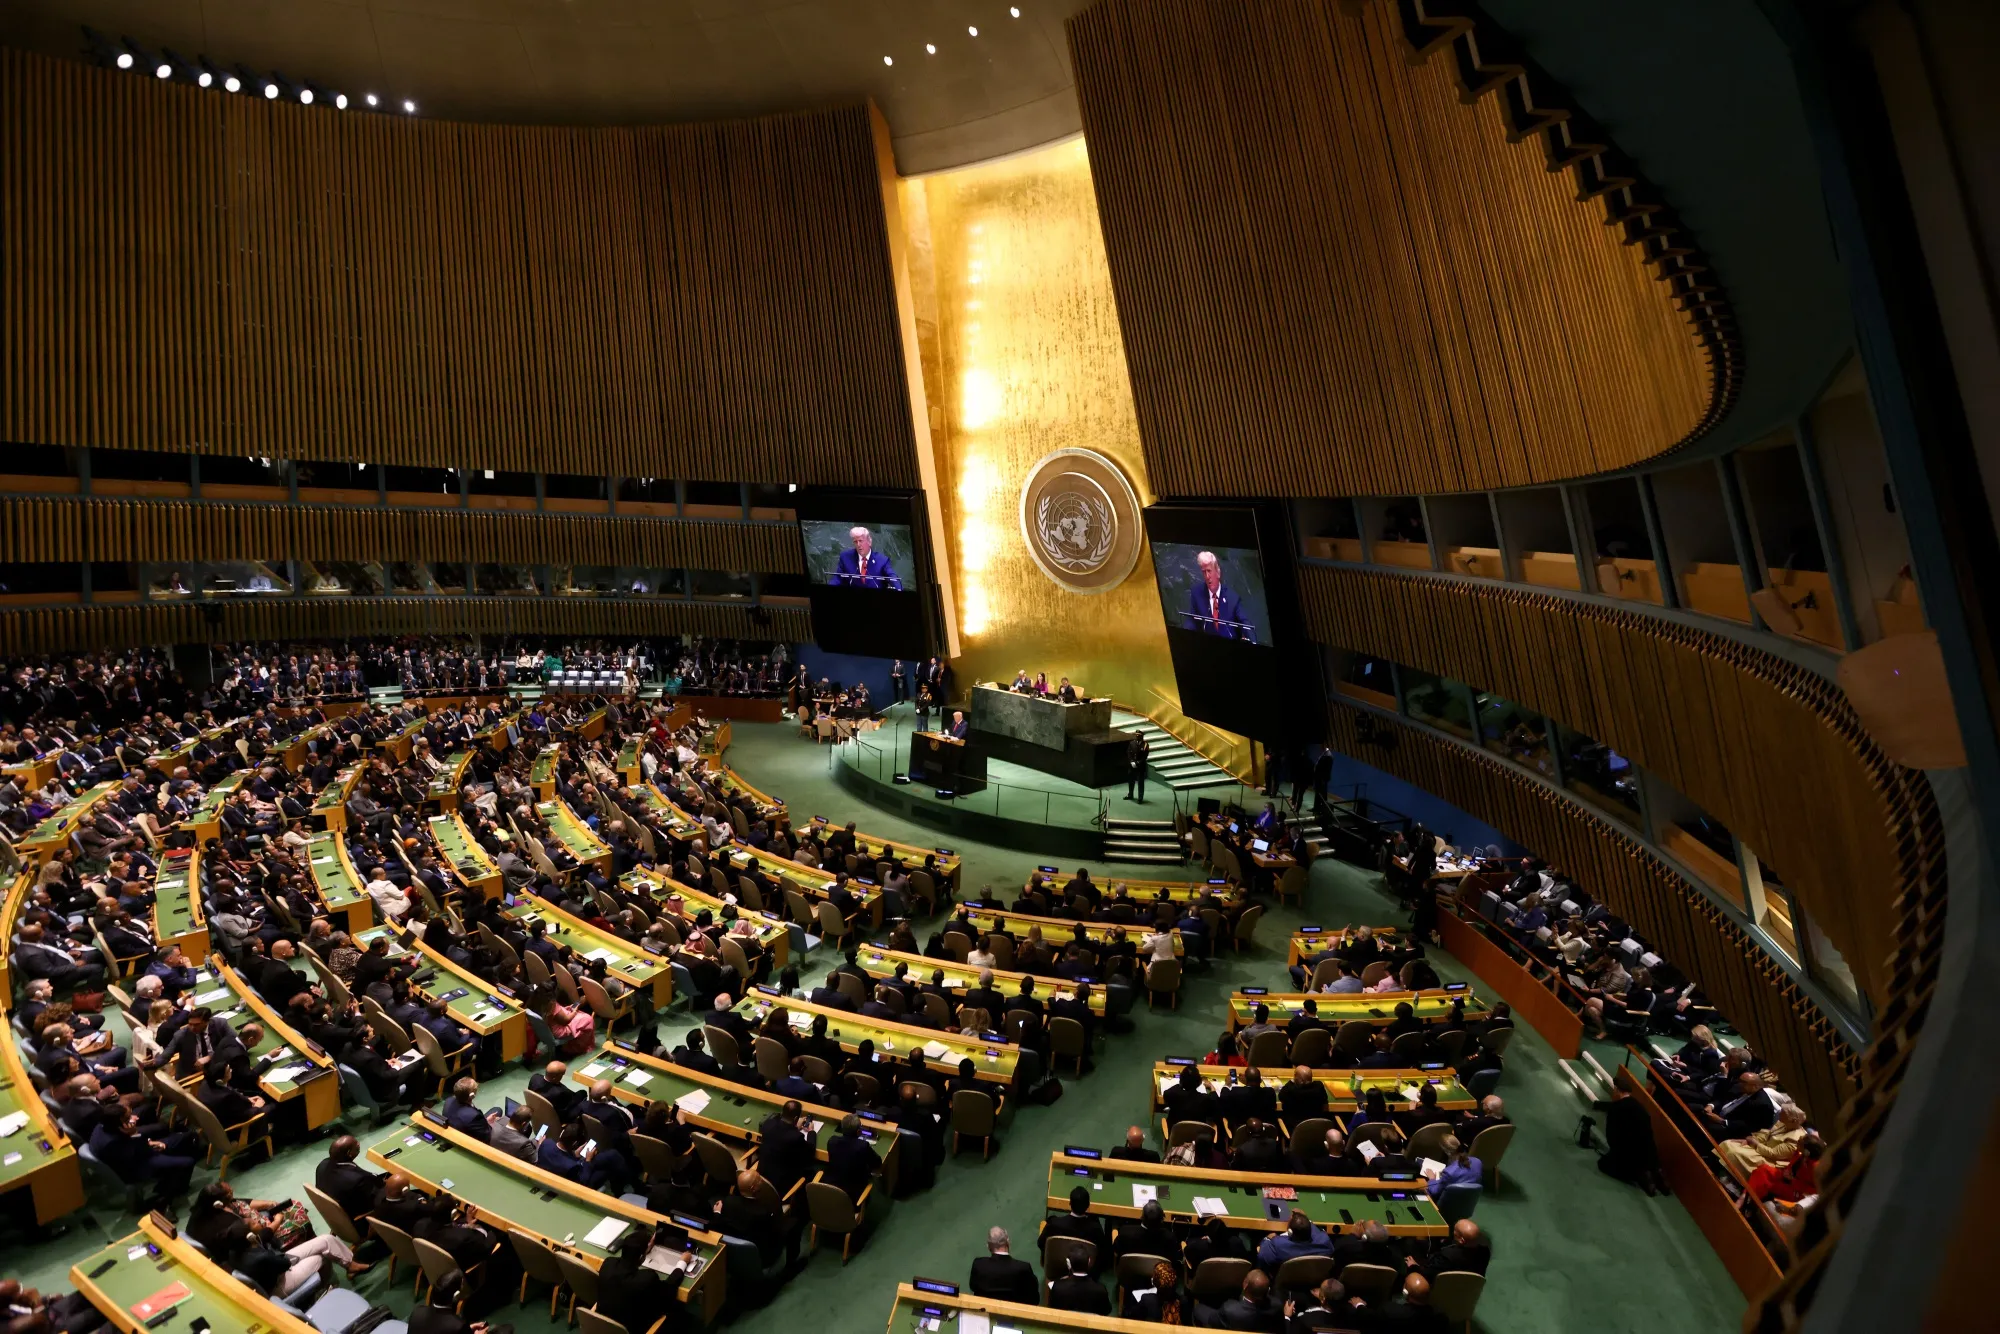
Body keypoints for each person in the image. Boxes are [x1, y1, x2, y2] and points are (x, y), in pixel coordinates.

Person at [595, 1229, 683, 1334]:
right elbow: (668, 1291)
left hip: (600, 1326)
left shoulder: (608, 1264)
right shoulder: (646, 1278)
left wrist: (646, 1247)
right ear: (642, 1257)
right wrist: (682, 1264)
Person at [1038, 1186, 1109, 1274]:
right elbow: (1104, 1254)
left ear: (1070, 1203)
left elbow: (1040, 1243)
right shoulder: (1096, 1230)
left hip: (1057, 1268)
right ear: (1088, 1205)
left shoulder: (1054, 1224)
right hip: (1086, 1272)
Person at [1182, 551, 1251, 641]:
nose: (1207, 576)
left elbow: (1245, 623)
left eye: (1209, 571)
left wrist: (1250, 639)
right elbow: (1191, 620)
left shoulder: (1232, 598)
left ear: (1218, 573)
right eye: (1204, 572)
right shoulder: (1197, 593)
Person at [315, 1134, 384, 1223]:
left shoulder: (322, 1165)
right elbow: (376, 1200)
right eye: (356, 1145)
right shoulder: (358, 1180)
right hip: (360, 1220)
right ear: (349, 1153)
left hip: (340, 1211)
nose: (359, 1144)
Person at [970, 1226, 1039, 1304]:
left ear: (988, 1246)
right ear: (1008, 1242)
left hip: (985, 1311)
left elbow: (973, 1287)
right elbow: (1034, 1299)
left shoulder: (978, 1264)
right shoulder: (1024, 1268)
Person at [831, 526, 901, 589]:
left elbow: (892, 577)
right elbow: (837, 578)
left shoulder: (882, 560)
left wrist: (898, 588)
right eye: (855, 542)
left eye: (861, 541)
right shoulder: (845, 557)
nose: (858, 545)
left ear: (869, 541)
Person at [1257, 1210, 1333, 1268]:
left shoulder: (1278, 1245)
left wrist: (1267, 1239)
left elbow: (1262, 1257)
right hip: (1314, 1280)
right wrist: (1305, 1219)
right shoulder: (1325, 1242)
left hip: (1285, 1283)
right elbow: (1316, 1232)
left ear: (1290, 1232)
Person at [1424, 1136, 1481, 1201]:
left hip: (1448, 1204)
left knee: (1425, 1189)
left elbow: (1435, 1192)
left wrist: (1432, 1179)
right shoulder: (1477, 1162)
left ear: (1448, 1152)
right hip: (1468, 1202)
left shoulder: (1449, 1172)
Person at [1125, 731, 1150, 803]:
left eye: (1139, 736)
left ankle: (1140, 798)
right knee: (1131, 781)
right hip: (1132, 766)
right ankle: (1130, 795)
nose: (1137, 737)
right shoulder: (1132, 743)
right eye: (1136, 735)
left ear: (1142, 736)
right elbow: (1129, 753)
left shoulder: (1145, 745)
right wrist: (1131, 761)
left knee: (1140, 782)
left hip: (1140, 766)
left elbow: (1145, 756)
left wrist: (1137, 763)